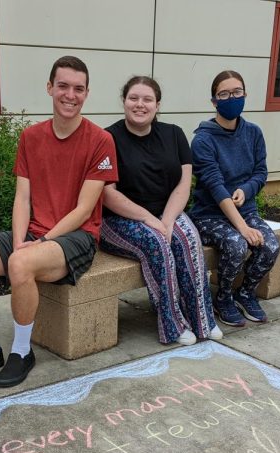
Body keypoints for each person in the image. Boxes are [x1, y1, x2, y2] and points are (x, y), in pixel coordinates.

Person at [0, 56, 118, 387]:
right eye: (63, 86)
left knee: (21, 263)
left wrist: (41, 241)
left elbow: (83, 209)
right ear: (50, 88)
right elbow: (22, 198)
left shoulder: (100, 141)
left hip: (76, 238)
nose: (70, 95)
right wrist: (22, 239)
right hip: (35, 234)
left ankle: (22, 352)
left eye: (78, 89)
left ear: (87, 93)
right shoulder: (31, 137)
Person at [100, 76, 222, 346]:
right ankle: (172, 323)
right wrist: (149, 220)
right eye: (133, 98)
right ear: (124, 101)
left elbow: (183, 184)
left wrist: (166, 221)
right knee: (158, 244)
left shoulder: (174, 134)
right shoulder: (107, 138)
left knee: (188, 239)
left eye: (147, 99)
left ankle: (202, 319)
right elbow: (108, 193)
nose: (140, 105)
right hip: (118, 220)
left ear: (157, 105)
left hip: (167, 212)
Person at [190, 70, 280, 326]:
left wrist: (247, 190)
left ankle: (246, 293)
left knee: (271, 246)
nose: (232, 98)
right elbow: (215, 187)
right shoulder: (203, 140)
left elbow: (260, 172)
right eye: (225, 94)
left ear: (245, 94)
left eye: (237, 92)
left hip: (246, 209)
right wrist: (242, 227)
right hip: (209, 215)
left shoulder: (253, 133)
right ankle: (224, 297)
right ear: (214, 101)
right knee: (237, 244)